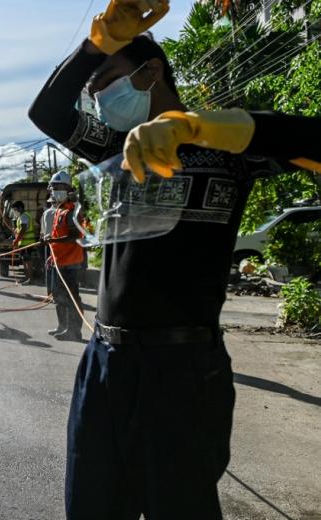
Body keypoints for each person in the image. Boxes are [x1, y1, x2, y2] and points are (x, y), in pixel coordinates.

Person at [28, 0, 321, 517]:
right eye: (94, 94)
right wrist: (97, 46)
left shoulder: (230, 148)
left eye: (107, 82)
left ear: (151, 70)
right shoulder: (114, 148)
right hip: (105, 361)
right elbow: (46, 114)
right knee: (91, 505)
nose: (99, 100)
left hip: (184, 366)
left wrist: (198, 128)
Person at [43, 172, 85, 342]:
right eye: (52, 188)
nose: (53, 192)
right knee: (59, 297)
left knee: (72, 298)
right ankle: (62, 327)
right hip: (59, 261)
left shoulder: (72, 211)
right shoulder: (59, 209)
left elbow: (74, 236)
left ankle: (74, 331)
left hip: (70, 262)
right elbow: (58, 237)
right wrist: (51, 256)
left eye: (57, 188)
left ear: (67, 189)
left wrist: (51, 239)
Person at [10, 201, 36, 283]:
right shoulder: (22, 216)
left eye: (15, 209)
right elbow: (20, 229)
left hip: (27, 243)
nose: (15, 211)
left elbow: (23, 229)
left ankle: (30, 279)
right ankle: (27, 278)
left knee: (28, 262)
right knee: (25, 261)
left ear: (20, 208)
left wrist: (16, 241)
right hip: (24, 243)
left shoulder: (24, 216)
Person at [40, 196, 56, 293]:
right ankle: (57, 292)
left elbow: (42, 232)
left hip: (48, 244)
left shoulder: (45, 213)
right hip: (60, 244)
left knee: (49, 268)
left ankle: (50, 291)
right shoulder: (63, 213)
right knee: (58, 269)